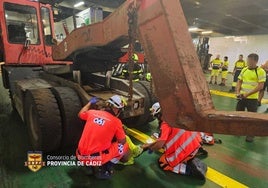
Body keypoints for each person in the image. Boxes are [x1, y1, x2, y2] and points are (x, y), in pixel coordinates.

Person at [142, 102, 207, 180]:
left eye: (157, 116)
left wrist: (151, 148)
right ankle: (192, 156)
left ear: (160, 114)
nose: (157, 119)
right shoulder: (178, 115)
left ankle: (190, 170)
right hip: (196, 143)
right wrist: (150, 145)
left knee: (163, 164)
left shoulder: (166, 123)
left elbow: (160, 144)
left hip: (187, 149)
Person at [76, 95, 131, 179]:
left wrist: (90, 103)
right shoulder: (117, 122)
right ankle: (105, 170)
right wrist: (121, 132)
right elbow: (122, 141)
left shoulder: (92, 112)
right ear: (116, 109)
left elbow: (80, 114)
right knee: (124, 146)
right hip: (95, 158)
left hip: (79, 155)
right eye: (120, 110)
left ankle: (88, 167)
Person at [236, 53, 266, 142]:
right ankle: (238, 130)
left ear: (255, 61)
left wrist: (247, 94)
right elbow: (239, 81)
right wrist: (238, 92)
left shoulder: (260, 71)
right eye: (247, 60)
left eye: (250, 61)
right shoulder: (244, 69)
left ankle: (250, 135)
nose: (248, 62)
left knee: (252, 118)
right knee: (238, 115)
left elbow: (260, 86)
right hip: (242, 97)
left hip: (252, 99)